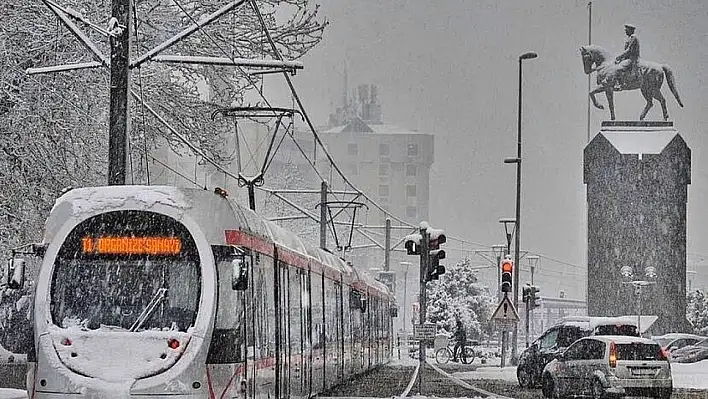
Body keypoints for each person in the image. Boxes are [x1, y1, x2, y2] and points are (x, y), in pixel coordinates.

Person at [614, 23, 640, 88]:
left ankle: (620, 84)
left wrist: (620, 56)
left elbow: (629, 50)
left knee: (618, 68)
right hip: (628, 58)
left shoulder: (633, 37)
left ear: (630, 30)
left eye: (627, 30)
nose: (625, 31)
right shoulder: (629, 38)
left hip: (632, 58)